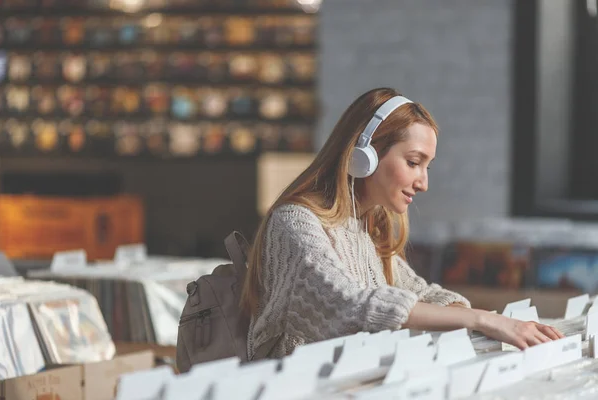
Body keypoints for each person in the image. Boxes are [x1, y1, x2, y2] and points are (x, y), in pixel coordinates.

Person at [241, 87, 564, 360]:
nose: (423, 182)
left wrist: (500, 322)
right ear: (363, 155)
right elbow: (348, 304)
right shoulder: (295, 221)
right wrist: (482, 319)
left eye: (427, 166)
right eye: (413, 162)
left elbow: (419, 293)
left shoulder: (362, 227)